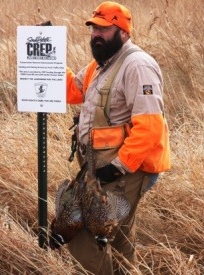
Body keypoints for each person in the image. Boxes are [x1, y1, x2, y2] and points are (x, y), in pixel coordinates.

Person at [66, 1, 171, 274]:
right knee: (120, 236)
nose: (96, 35)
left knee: (83, 231)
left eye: (104, 29)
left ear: (123, 32)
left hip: (124, 170)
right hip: (101, 167)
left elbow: (150, 127)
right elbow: (73, 91)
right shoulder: (99, 65)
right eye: (93, 29)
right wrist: (48, 57)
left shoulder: (138, 66)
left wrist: (117, 167)